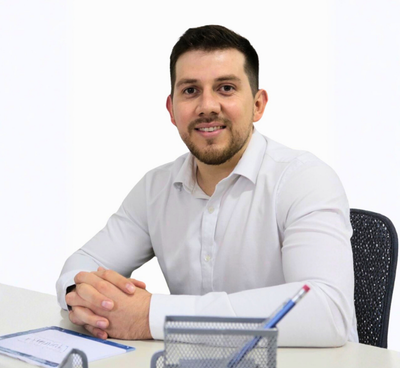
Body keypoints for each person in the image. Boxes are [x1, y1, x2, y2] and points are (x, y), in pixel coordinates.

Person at [56, 25, 358, 346]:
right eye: (190, 91)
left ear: (258, 105)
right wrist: (87, 298)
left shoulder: (305, 179)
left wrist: (151, 316)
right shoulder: (155, 188)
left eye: (226, 88)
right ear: (172, 110)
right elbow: (81, 265)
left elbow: (326, 311)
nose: (207, 106)